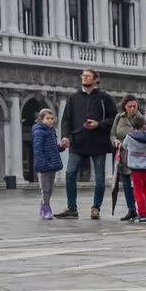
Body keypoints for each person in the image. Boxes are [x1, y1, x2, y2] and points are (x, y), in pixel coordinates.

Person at [58, 68, 117, 220]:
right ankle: (72, 208)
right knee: (70, 174)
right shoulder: (73, 97)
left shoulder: (105, 98)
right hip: (78, 142)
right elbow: (66, 120)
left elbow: (114, 120)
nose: (84, 78)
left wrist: (99, 124)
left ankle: (96, 208)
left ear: (96, 79)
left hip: (98, 143)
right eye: (83, 75)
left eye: (87, 76)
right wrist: (65, 137)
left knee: (100, 177)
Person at [110, 95, 142, 221]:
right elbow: (112, 134)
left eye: (135, 106)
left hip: (137, 156)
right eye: (129, 106)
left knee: (137, 185)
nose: (132, 109)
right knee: (126, 185)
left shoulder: (142, 119)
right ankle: (131, 210)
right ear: (125, 107)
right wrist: (115, 141)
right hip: (122, 156)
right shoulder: (119, 118)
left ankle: (141, 210)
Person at [31, 109, 66, 220]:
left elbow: (53, 149)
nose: (50, 121)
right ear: (41, 119)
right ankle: (46, 209)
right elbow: (37, 149)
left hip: (52, 165)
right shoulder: (38, 131)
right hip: (44, 166)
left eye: (52, 118)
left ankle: (43, 207)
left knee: (50, 189)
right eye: (48, 118)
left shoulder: (51, 131)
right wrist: (42, 165)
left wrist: (61, 146)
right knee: (45, 189)